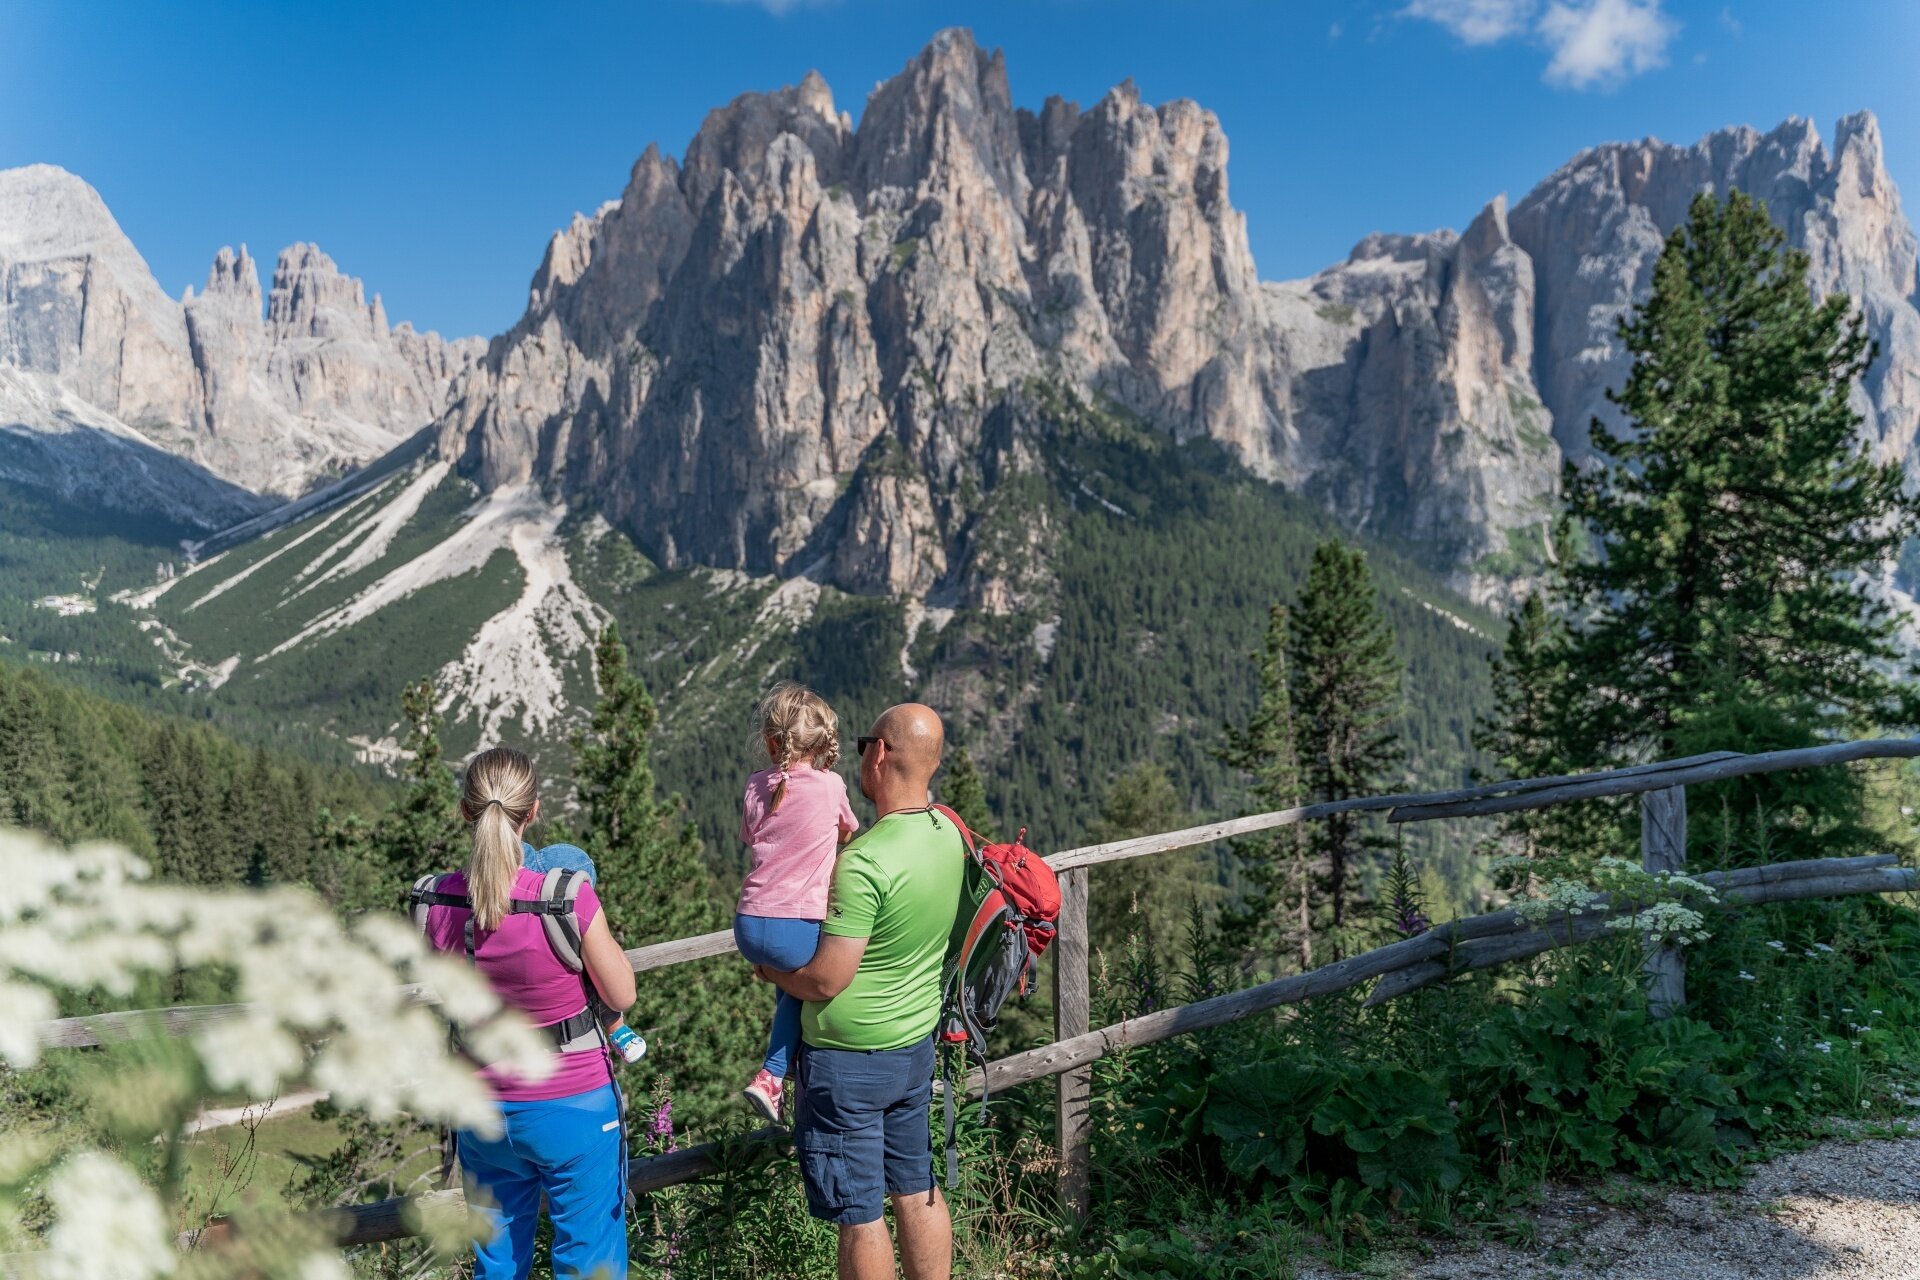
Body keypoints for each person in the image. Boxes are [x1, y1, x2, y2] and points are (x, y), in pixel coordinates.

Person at [754, 704, 962, 1280]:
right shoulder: (948, 833)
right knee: (916, 1185)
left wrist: (773, 974)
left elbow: (826, 979)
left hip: (848, 1064)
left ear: (879, 755)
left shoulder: (865, 862)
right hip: (914, 1047)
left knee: (860, 1212)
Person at [421, 747, 636, 1280]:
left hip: (482, 1107)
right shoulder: (565, 897)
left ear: (465, 812)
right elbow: (622, 992)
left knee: (497, 1265)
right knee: (590, 1262)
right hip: (572, 1101)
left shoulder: (434, 901)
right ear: (533, 810)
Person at [734, 683, 861, 1121]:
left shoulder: (755, 785)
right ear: (823, 742)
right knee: (801, 987)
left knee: (786, 982)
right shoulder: (831, 786)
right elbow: (849, 830)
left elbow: (751, 837)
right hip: (797, 922)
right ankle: (772, 1074)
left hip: (749, 923)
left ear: (771, 741)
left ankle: (780, 1073)